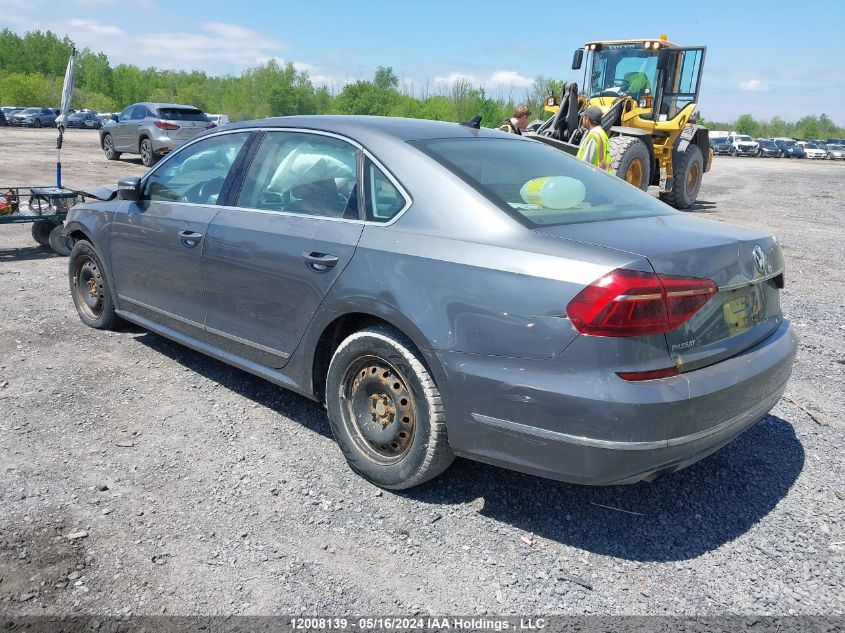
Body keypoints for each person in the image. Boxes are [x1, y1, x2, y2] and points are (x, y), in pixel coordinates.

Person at [576, 106, 612, 172]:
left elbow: (585, 163)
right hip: (601, 175)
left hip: (592, 175)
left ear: (587, 119)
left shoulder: (593, 136)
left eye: (583, 117)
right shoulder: (602, 133)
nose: (582, 119)